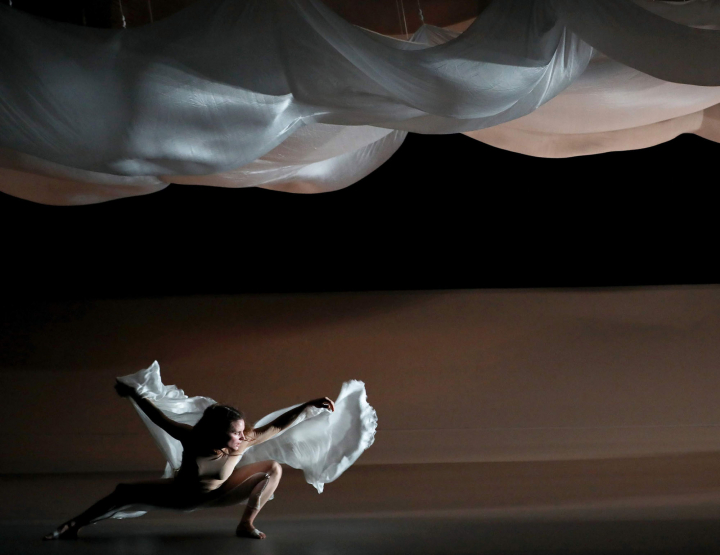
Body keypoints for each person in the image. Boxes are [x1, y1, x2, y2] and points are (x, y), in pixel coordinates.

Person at [43, 380, 335, 541]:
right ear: (218, 433)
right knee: (123, 491)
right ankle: (73, 526)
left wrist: (308, 405)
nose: (242, 436)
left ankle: (246, 524)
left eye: (241, 430)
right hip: (179, 496)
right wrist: (133, 394)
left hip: (220, 494)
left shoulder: (244, 440)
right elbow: (158, 418)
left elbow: (280, 425)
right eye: (235, 432)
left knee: (273, 468)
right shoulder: (192, 438)